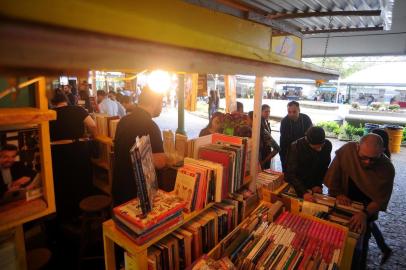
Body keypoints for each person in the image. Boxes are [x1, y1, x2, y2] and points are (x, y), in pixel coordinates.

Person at [324, 134, 395, 269]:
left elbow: (380, 199)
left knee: (360, 245)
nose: (368, 162)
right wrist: (338, 194)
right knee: (337, 239)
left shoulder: (387, 169)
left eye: (373, 159)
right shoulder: (347, 152)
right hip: (343, 204)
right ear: (357, 147)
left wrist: (364, 214)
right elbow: (333, 177)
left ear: (382, 151)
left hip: (367, 209)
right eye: (364, 157)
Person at [112, 86, 167, 206]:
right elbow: (160, 162)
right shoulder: (151, 126)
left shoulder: (123, 121)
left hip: (119, 187)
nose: (162, 107)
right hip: (137, 194)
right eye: (161, 103)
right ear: (154, 102)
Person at [49, 89, 97, 222]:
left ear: (52, 102)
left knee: (63, 183)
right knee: (81, 180)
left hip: (57, 152)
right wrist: (92, 136)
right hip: (78, 149)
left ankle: (66, 216)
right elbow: (93, 126)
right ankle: (84, 212)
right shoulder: (78, 110)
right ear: (66, 99)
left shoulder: (49, 114)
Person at [285, 126, 332, 201]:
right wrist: (304, 192)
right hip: (299, 184)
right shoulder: (296, 147)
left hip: (315, 185)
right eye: (315, 148)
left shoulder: (327, 145)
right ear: (307, 141)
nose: (319, 150)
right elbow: (291, 173)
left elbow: (323, 167)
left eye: (321, 146)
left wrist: (318, 184)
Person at [370, 128, 392, 264]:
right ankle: (384, 248)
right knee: (370, 223)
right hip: (373, 198)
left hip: (372, 198)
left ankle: (384, 248)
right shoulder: (384, 156)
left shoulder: (382, 162)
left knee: (368, 223)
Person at [279, 101, 312, 172]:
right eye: (289, 112)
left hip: (303, 149)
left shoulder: (306, 118)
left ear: (299, 110)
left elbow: (310, 134)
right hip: (287, 150)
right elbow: (285, 139)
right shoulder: (284, 121)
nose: (291, 114)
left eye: (294, 112)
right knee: (287, 171)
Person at [259, 104, 280, 169]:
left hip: (265, 152)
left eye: (269, 111)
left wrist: (264, 161)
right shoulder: (260, 123)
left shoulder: (265, 121)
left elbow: (277, 148)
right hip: (263, 152)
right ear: (260, 112)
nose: (268, 113)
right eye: (266, 111)